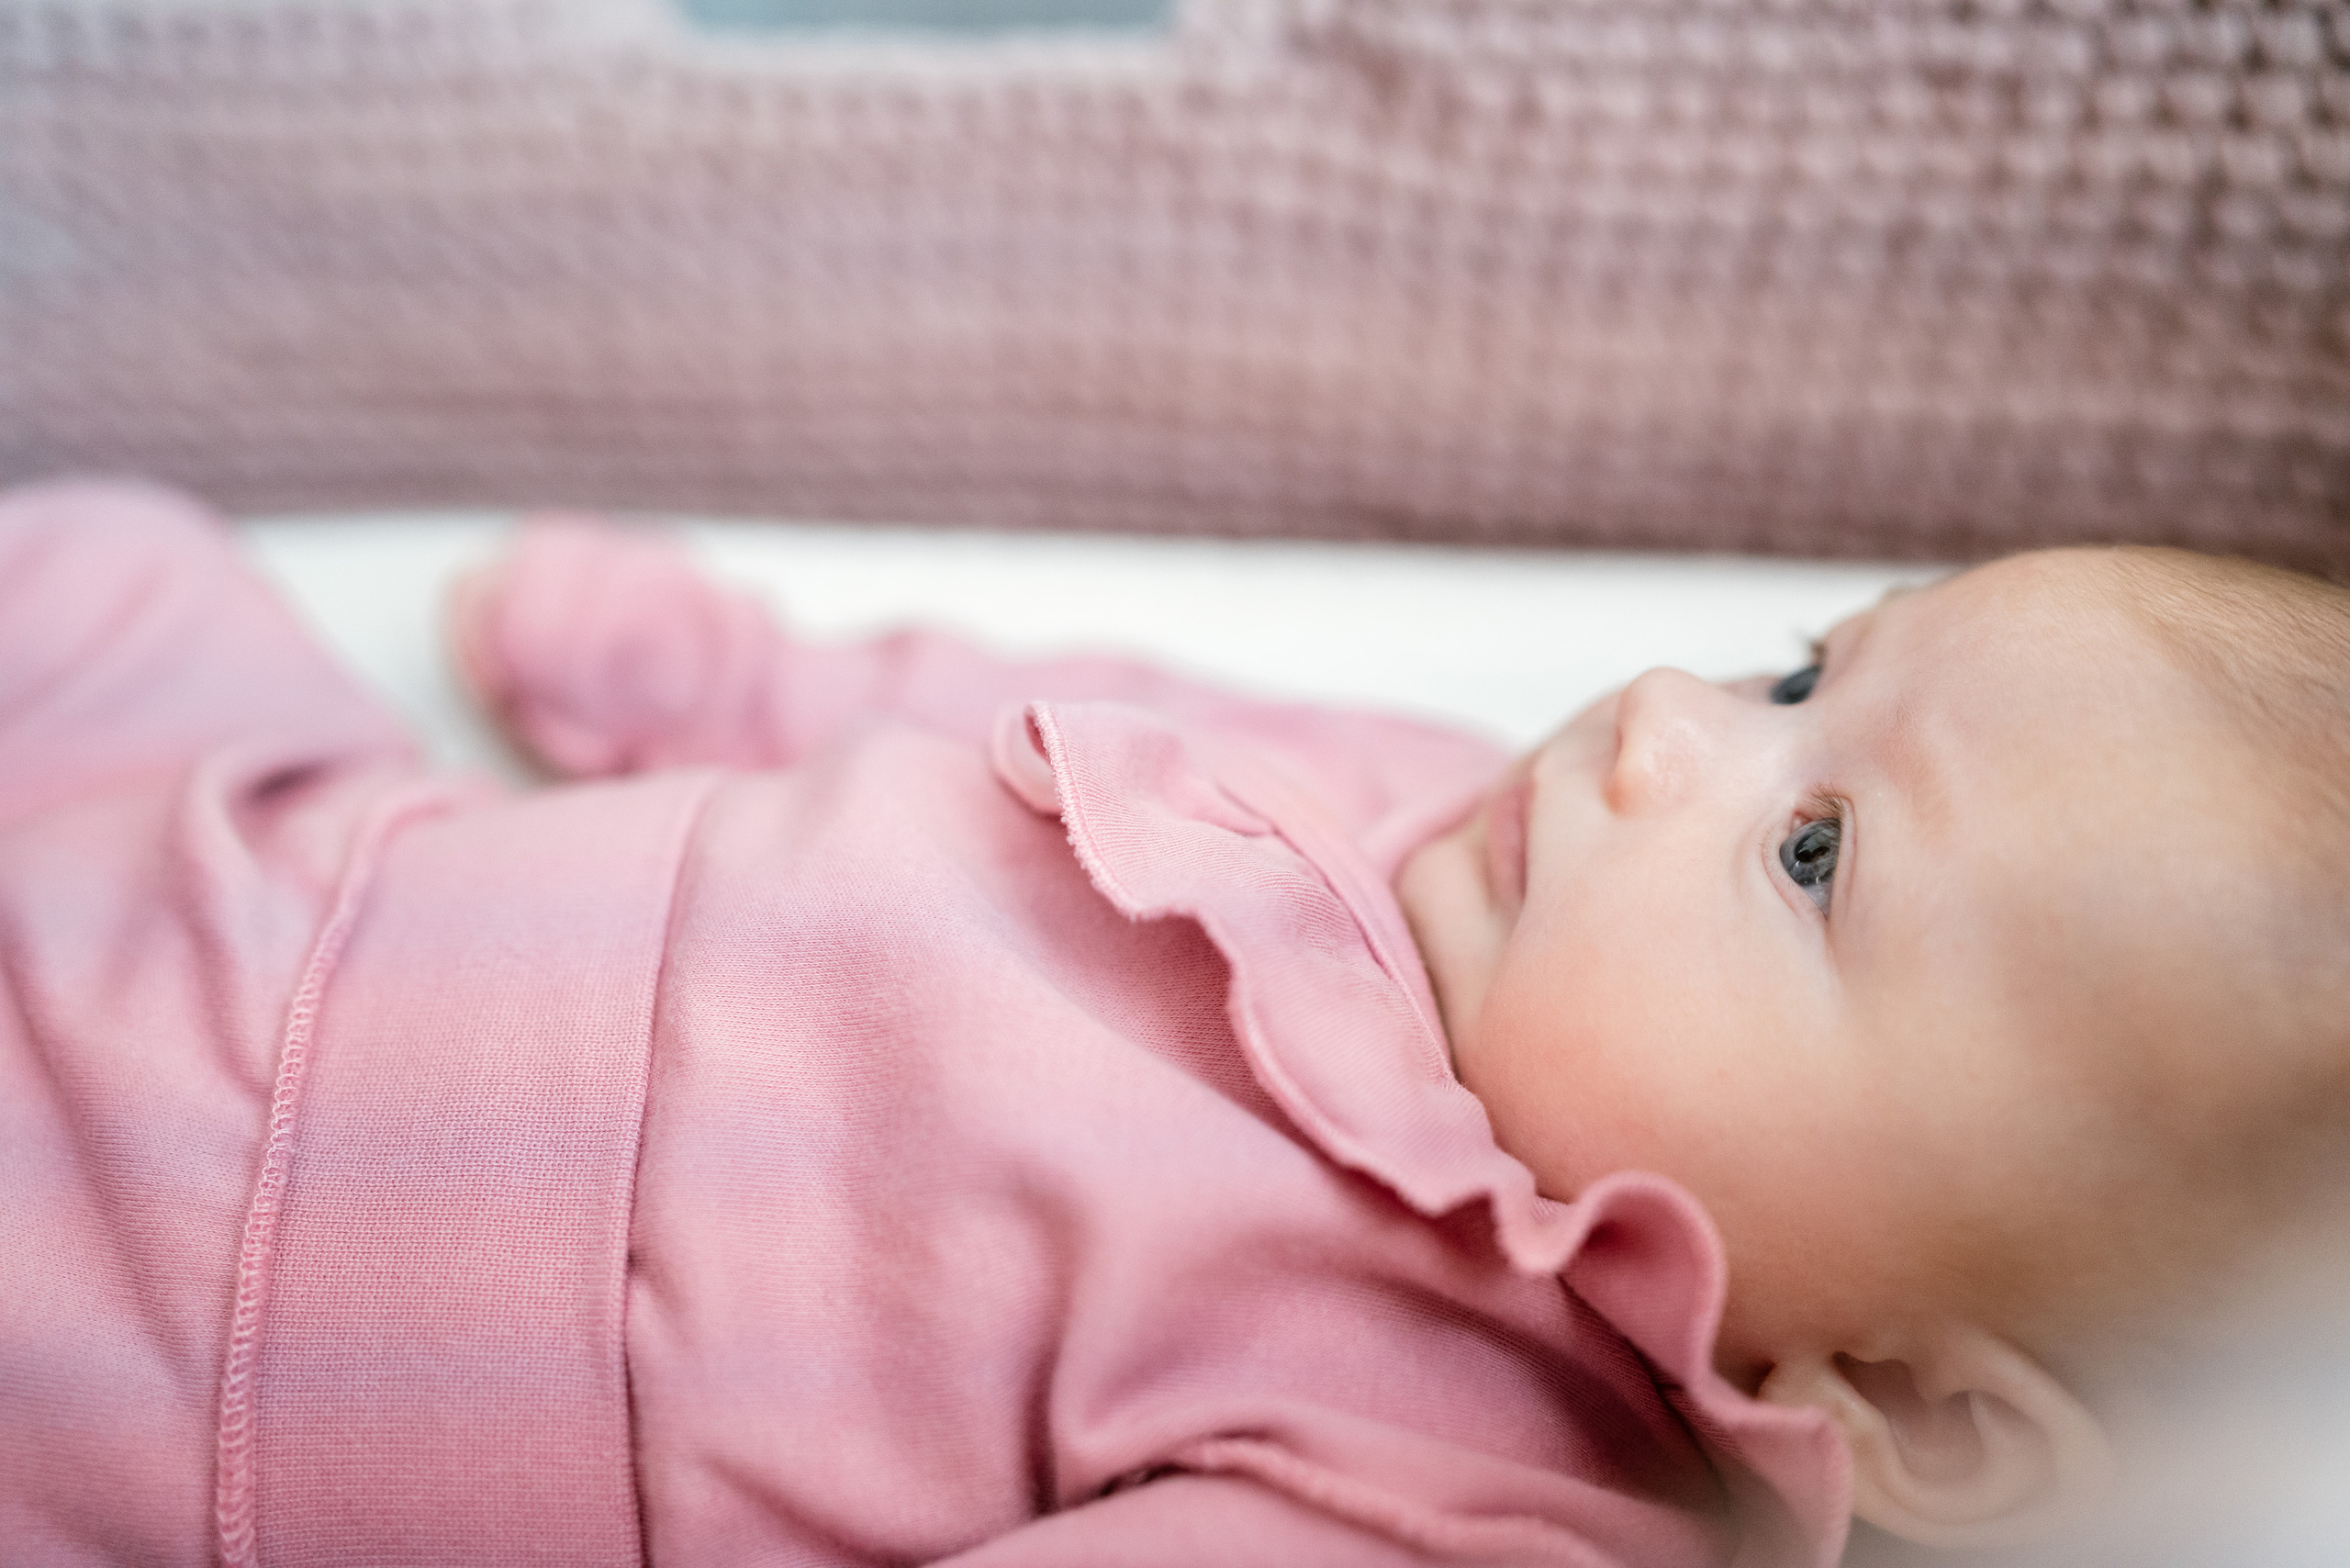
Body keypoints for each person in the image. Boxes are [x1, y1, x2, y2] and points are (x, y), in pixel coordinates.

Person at [2, 479, 2343, 1567]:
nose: (1659, 716)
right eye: (1794, 670)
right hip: (319, 874)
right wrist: (718, 682)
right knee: (108, 565)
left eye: (1810, 847)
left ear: (1903, 1396)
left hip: (219, 1327)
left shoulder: (1461, 1470)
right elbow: (1047, 712)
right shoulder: (1418, 805)